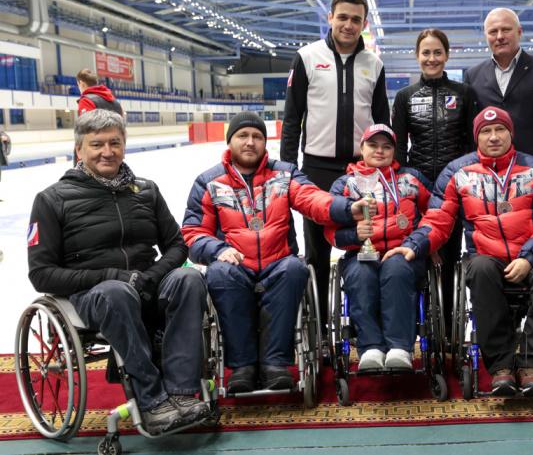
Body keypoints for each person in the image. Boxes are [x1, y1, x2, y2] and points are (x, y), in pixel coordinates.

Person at [27, 110, 209, 435]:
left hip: (146, 284)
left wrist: (151, 276)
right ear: (79, 149)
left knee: (189, 278)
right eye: (96, 144)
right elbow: (41, 274)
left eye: (114, 143)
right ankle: (153, 400)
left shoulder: (146, 191)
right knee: (117, 292)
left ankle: (182, 392)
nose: (107, 152)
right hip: (94, 294)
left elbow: (176, 246)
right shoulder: (52, 200)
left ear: (124, 145)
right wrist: (111, 276)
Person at [385, 106, 533, 396]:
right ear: (476, 137)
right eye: (486, 131)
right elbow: (438, 219)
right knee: (480, 268)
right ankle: (501, 367)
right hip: (486, 256)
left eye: (500, 130)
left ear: (511, 133)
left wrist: (528, 257)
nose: (493, 137)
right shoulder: (457, 172)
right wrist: (413, 245)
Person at [183, 112, 371, 393]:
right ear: (230, 141)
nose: (250, 142)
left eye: (257, 136)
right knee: (220, 275)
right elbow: (193, 232)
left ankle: (275, 364)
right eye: (243, 136)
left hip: (278, 261)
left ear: (265, 142)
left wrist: (346, 208)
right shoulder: (208, 182)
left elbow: (312, 198)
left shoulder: (284, 173)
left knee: (294, 269)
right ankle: (243, 366)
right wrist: (217, 249)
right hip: (234, 262)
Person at [281, 0, 390, 331]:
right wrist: (287, 170)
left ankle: (362, 325)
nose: (348, 25)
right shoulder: (307, 57)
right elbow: (292, 118)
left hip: (362, 171)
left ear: (364, 24)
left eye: (356, 19)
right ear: (330, 18)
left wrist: (387, 169)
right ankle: (318, 327)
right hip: (316, 169)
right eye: (342, 17)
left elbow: (382, 121)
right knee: (316, 252)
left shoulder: (374, 64)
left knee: (364, 245)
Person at [325, 124, 433, 370]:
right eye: (373, 145)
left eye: (386, 147)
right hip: (360, 253)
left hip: (403, 251)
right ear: (361, 148)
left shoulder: (412, 179)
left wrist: (422, 243)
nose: (380, 151)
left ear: (395, 151)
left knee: (395, 270)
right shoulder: (345, 184)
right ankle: (371, 347)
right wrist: (354, 235)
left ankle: (399, 348)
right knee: (361, 275)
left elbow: (435, 215)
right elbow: (330, 229)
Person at [391, 28, 477, 330]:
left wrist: (466, 179)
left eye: (437, 52)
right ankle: (424, 323)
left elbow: (472, 144)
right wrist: (405, 184)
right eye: (425, 52)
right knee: (420, 252)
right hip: (419, 188)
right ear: (417, 56)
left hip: (455, 187)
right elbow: (398, 147)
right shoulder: (405, 97)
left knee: (451, 256)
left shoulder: (464, 93)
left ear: (447, 55)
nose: (431, 58)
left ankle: (450, 325)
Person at [464, 8, 533, 187]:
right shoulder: (473, 75)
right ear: (486, 36)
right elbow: (470, 130)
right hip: (489, 175)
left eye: (506, 29)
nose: (500, 36)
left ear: (519, 32)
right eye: (493, 31)